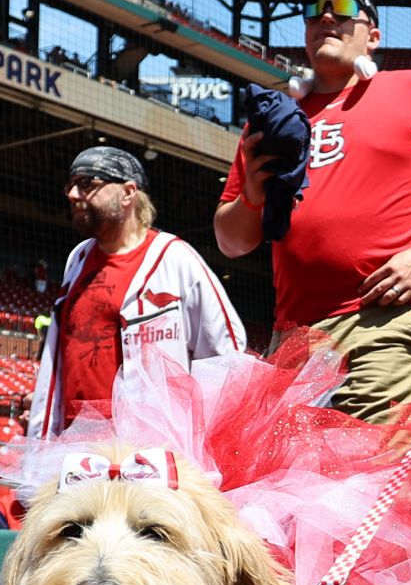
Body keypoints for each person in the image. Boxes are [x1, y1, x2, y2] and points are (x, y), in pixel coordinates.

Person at [215, 0, 411, 423]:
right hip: (295, 337)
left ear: (373, 35)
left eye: (342, 8)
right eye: (314, 10)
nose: (326, 17)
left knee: (367, 475)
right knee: (291, 485)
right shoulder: (272, 121)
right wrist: (251, 193)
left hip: (384, 323)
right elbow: (233, 241)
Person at [30, 145, 249, 435]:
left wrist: (196, 438)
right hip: (76, 454)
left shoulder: (174, 257)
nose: (72, 195)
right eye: (70, 185)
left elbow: (229, 353)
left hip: (147, 460)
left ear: (128, 193)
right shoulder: (78, 259)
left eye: (87, 184)